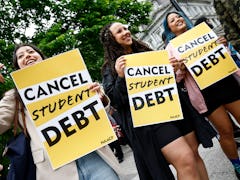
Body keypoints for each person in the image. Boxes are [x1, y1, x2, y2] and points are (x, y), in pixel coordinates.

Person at [100, 22, 216, 180]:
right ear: (111, 39)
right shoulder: (111, 68)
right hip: (154, 121)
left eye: (126, 28)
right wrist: (120, 77)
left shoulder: (145, 51)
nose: (126, 32)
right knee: (186, 160)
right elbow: (115, 101)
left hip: (176, 110)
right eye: (119, 31)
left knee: (194, 155)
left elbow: (168, 81)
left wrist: (174, 69)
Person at [0, 44, 124, 180]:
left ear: (41, 57)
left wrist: (99, 98)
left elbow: (101, 112)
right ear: (18, 67)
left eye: (30, 51)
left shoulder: (69, 76)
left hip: (94, 157)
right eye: (21, 56)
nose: (27, 55)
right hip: (55, 169)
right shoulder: (15, 96)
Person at [163, 11, 240, 179]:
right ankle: (237, 165)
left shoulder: (203, 32)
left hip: (226, 83)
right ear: (168, 27)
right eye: (172, 20)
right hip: (205, 94)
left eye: (179, 16)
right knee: (226, 131)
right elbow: (175, 79)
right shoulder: (170, 49)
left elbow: (225, 56)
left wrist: (223, 45)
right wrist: (180, 70)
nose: (177, 20)